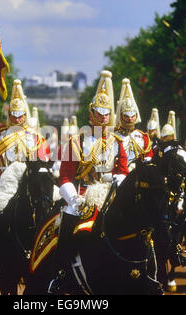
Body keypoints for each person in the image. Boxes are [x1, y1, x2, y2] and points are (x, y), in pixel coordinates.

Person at [48, 70, 130, 294]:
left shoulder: (117, 142)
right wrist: (73, 198)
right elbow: (65, 176)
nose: (103, 116)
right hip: (83, 196)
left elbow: (123, 170)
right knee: (67, 223)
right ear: (91, 113)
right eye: (99, 112)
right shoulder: (77, 141)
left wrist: (117, 182)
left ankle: (147, 269)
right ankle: (61, 274)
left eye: (107, 113)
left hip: (111, 195)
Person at [0, 79, 51, 273]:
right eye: (13, 115)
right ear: (9, 114)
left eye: (20, 115)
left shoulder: (35, 136)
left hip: (29, 182)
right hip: (4, 184)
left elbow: (45, 157)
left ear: (25, 115)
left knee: (46, 208)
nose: (17, 118)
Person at [151, 111, 186, 268]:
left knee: (185, 209)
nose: (168, 140)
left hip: (175, 187)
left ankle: (181, 243)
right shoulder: (155, 148)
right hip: (157, 185)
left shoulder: (180, 149)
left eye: (170, 137)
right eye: (166, 137)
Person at [115, 78, 153, 170]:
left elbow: (149, 156)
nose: (130, 119)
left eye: (132, 116)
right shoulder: (112, 136)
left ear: (136, 116)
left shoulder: (143, 137)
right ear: (121, 116)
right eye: (126, 116)